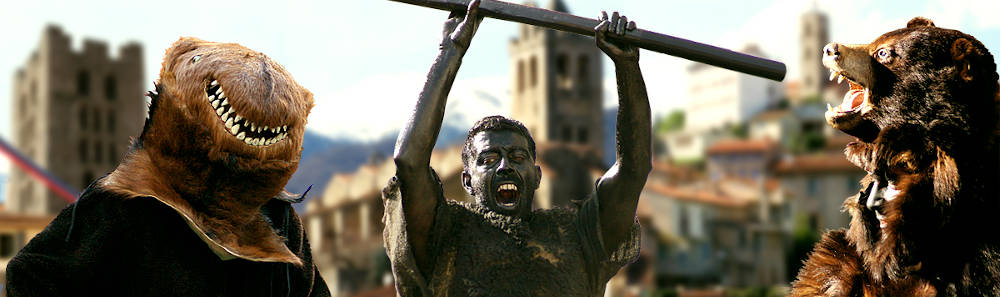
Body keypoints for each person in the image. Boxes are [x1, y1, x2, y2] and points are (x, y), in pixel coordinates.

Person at [383, 1, 652, 295]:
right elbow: (409, 162)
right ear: (467, 181)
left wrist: (627, 67)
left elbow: (633, 169)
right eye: (488, 159)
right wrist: (450, 50)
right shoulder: (447, 233)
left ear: (536, 176)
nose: (504, 166)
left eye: (517, 156)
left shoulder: (576, 234)